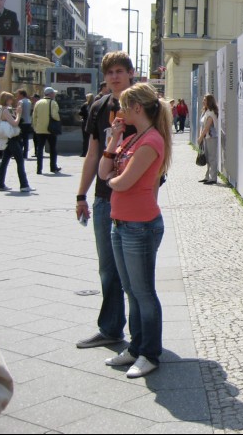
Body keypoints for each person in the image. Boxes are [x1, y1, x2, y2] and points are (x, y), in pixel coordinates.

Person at [99, 82, 172, 378]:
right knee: (131, 290)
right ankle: (136, 347)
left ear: (137, 108)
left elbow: (122, 182)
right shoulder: (132, 138)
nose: (120, 111)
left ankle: (149, 353)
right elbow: (105, 173)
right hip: (121, 223)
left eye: (124, 106)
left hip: (140, 226)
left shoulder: (151, 140)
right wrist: (113, 140)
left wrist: (115, 179)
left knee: (143, 292)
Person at [75, 51, 136, 350]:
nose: (114, 76)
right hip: (103, 200)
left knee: (135, 272)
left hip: (134, 200)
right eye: (110, 71)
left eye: (120, 71)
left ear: (130, 73)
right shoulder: (99, 107)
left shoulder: (143, 106)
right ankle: (111, 329)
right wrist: (80, 195)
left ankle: (143, 339)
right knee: (108, 269)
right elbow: (92, 155)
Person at [0, 91, 32, 193]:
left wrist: (16, 112)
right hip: (12, 139)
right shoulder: (5, 110)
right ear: (7, 100)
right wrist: (19, 114)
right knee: (20, 160)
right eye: (11, 98)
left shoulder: (3, 110)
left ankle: (0, 184)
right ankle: (24, 185)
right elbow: (15, 123)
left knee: (5, 161)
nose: (12, 100)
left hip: (8, 139)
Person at [31, 87, 61, 175]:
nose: (54, 94)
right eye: (53, 93)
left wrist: (35, 127)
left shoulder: (38, 103)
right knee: (52, 148)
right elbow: (55, 115)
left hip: (40, 129)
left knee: (40, 148)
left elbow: (34, 116)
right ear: (51, 94)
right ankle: (53, 167)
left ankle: (39, 169)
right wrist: (59, 120)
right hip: (50, 129)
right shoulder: (53, 103)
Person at [197, 94, 219, 184]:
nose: (203, 101)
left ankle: (213, 178)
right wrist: (201, 137)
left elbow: (207, 127)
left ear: (209, 101)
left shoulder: (211, 112)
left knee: (212, 158)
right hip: (207, 137)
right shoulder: (206, 111)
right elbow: (202, 126)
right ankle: (207, 176)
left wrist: (200, 138)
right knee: (207, 158)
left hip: (211, 137)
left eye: (205, 100)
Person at [16, 89, 33, 159]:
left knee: (19, 138)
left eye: (18, 94)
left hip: (22, 122)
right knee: (26, 138)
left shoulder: (20, 101)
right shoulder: (29, 101)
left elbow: (19, 112)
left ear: (21, 94)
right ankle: (25, 153)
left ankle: (19, 153)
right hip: (28, 121)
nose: (17, 95)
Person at [79, 93, 94, 157]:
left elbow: (80, 113)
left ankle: (84, 152)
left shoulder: (84, 105)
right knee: (91, 138)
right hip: (92, 123)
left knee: (85, 139)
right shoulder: (94, 105)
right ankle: (91, 152)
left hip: (85, 122)